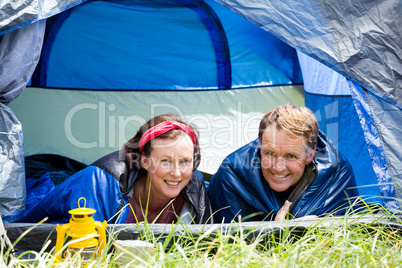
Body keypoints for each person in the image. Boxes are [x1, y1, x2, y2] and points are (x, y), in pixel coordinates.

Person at [13, 114, 213, 224]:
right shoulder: (100, 182)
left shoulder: (193, 186)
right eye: (166, 161)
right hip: (65, 181)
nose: (177, 173)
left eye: (185, 161)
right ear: (144, 161)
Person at [207, 104, 359, 223]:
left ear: (310, 155)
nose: (278, 167)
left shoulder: (336, 174)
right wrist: (279, 233)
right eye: (270, 153)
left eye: (291, 156)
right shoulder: (232, 176)